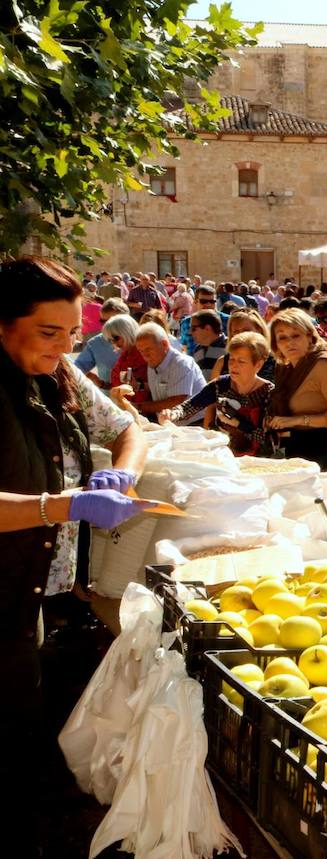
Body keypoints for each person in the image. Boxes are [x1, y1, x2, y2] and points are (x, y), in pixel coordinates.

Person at [0, 258, 152, 855]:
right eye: (48, 332)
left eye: (72, 332)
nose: (65, 345)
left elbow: (128, 428)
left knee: (20, 717)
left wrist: (121, 475)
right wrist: (60, 506)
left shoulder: (59, 372)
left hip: (31, 589)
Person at [159, 332, 276, 456]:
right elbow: (190, 406)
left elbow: (266, 437)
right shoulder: (220, 384)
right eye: (231, 359)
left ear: (258, 364)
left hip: (258, 460)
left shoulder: (269, 393)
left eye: (241, 361)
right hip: (224, 454)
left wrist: (238, 423)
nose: (233, 365)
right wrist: (173, 414)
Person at [265, 308, 327, 469]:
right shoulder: (283, 368)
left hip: (326, 449)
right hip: (294, 448)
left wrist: (297, 420)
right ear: (275, 344)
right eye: (282, 338)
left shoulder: (322, 365)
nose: (289, 342)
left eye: (296, 335)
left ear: (309, 336)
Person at [131, 322, 205, 421]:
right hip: (171, 423)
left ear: (164, 344)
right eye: (141, 351)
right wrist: (139, 385)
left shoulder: (181, 364)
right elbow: (163, 386)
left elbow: (175, 401)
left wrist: (136, 407)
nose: (145, 355)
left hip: (194, 425)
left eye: (148, 349)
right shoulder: (153, 361)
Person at [73, 297, 127, 387]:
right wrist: (93, 378)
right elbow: (77, 368)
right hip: (110, 398)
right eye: (103, 321)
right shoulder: (96, 343)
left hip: (143, 399)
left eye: (112, 321)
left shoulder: (140, 339)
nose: (107, 325)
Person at [187, 308, 228, 380]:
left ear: (207, 328)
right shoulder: (197, 349)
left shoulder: (229, 347)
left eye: (194, 329)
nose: (190, 332)